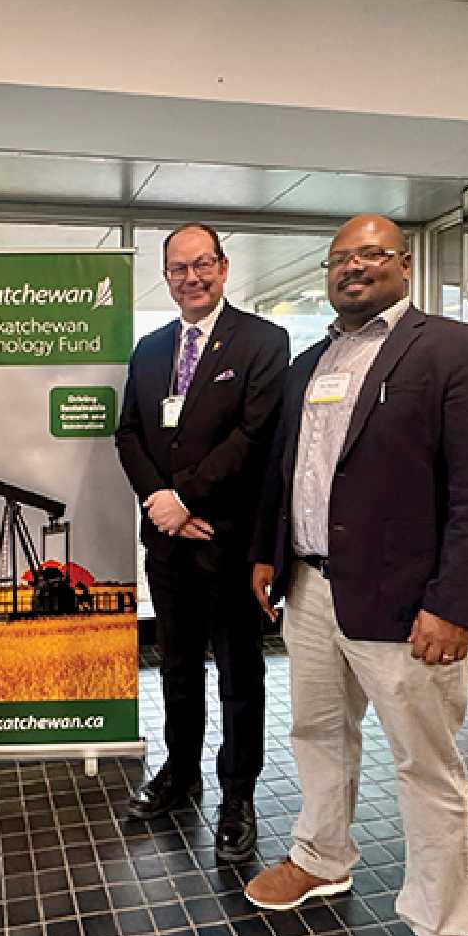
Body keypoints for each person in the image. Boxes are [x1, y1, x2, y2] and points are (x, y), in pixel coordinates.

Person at [247, 215, 468, 936]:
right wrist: (271, 552)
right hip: (310, 589)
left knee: (426, 767)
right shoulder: (312, 362)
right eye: (340, 258)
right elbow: (288, 468)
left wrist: (456, 601)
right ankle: (322, 854)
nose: (353, 268)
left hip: (408, 605)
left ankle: (444, 932)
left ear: (405, 263)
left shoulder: (459, 351)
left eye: (371, 254)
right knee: (316, 733)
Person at [115, 223, 289, 863]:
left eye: (202, 264)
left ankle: (237, 795)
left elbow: (254, 435)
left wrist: (183, 498)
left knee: (240, 674)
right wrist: (160, 505)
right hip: (168, 545)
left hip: (230, 541)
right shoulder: (149, 348)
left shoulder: (264, 341)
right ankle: (179, 771)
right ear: (165, 277)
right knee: (179, 667)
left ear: (223, 266)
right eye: (178, 269)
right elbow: (128, 434)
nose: (191, 277)